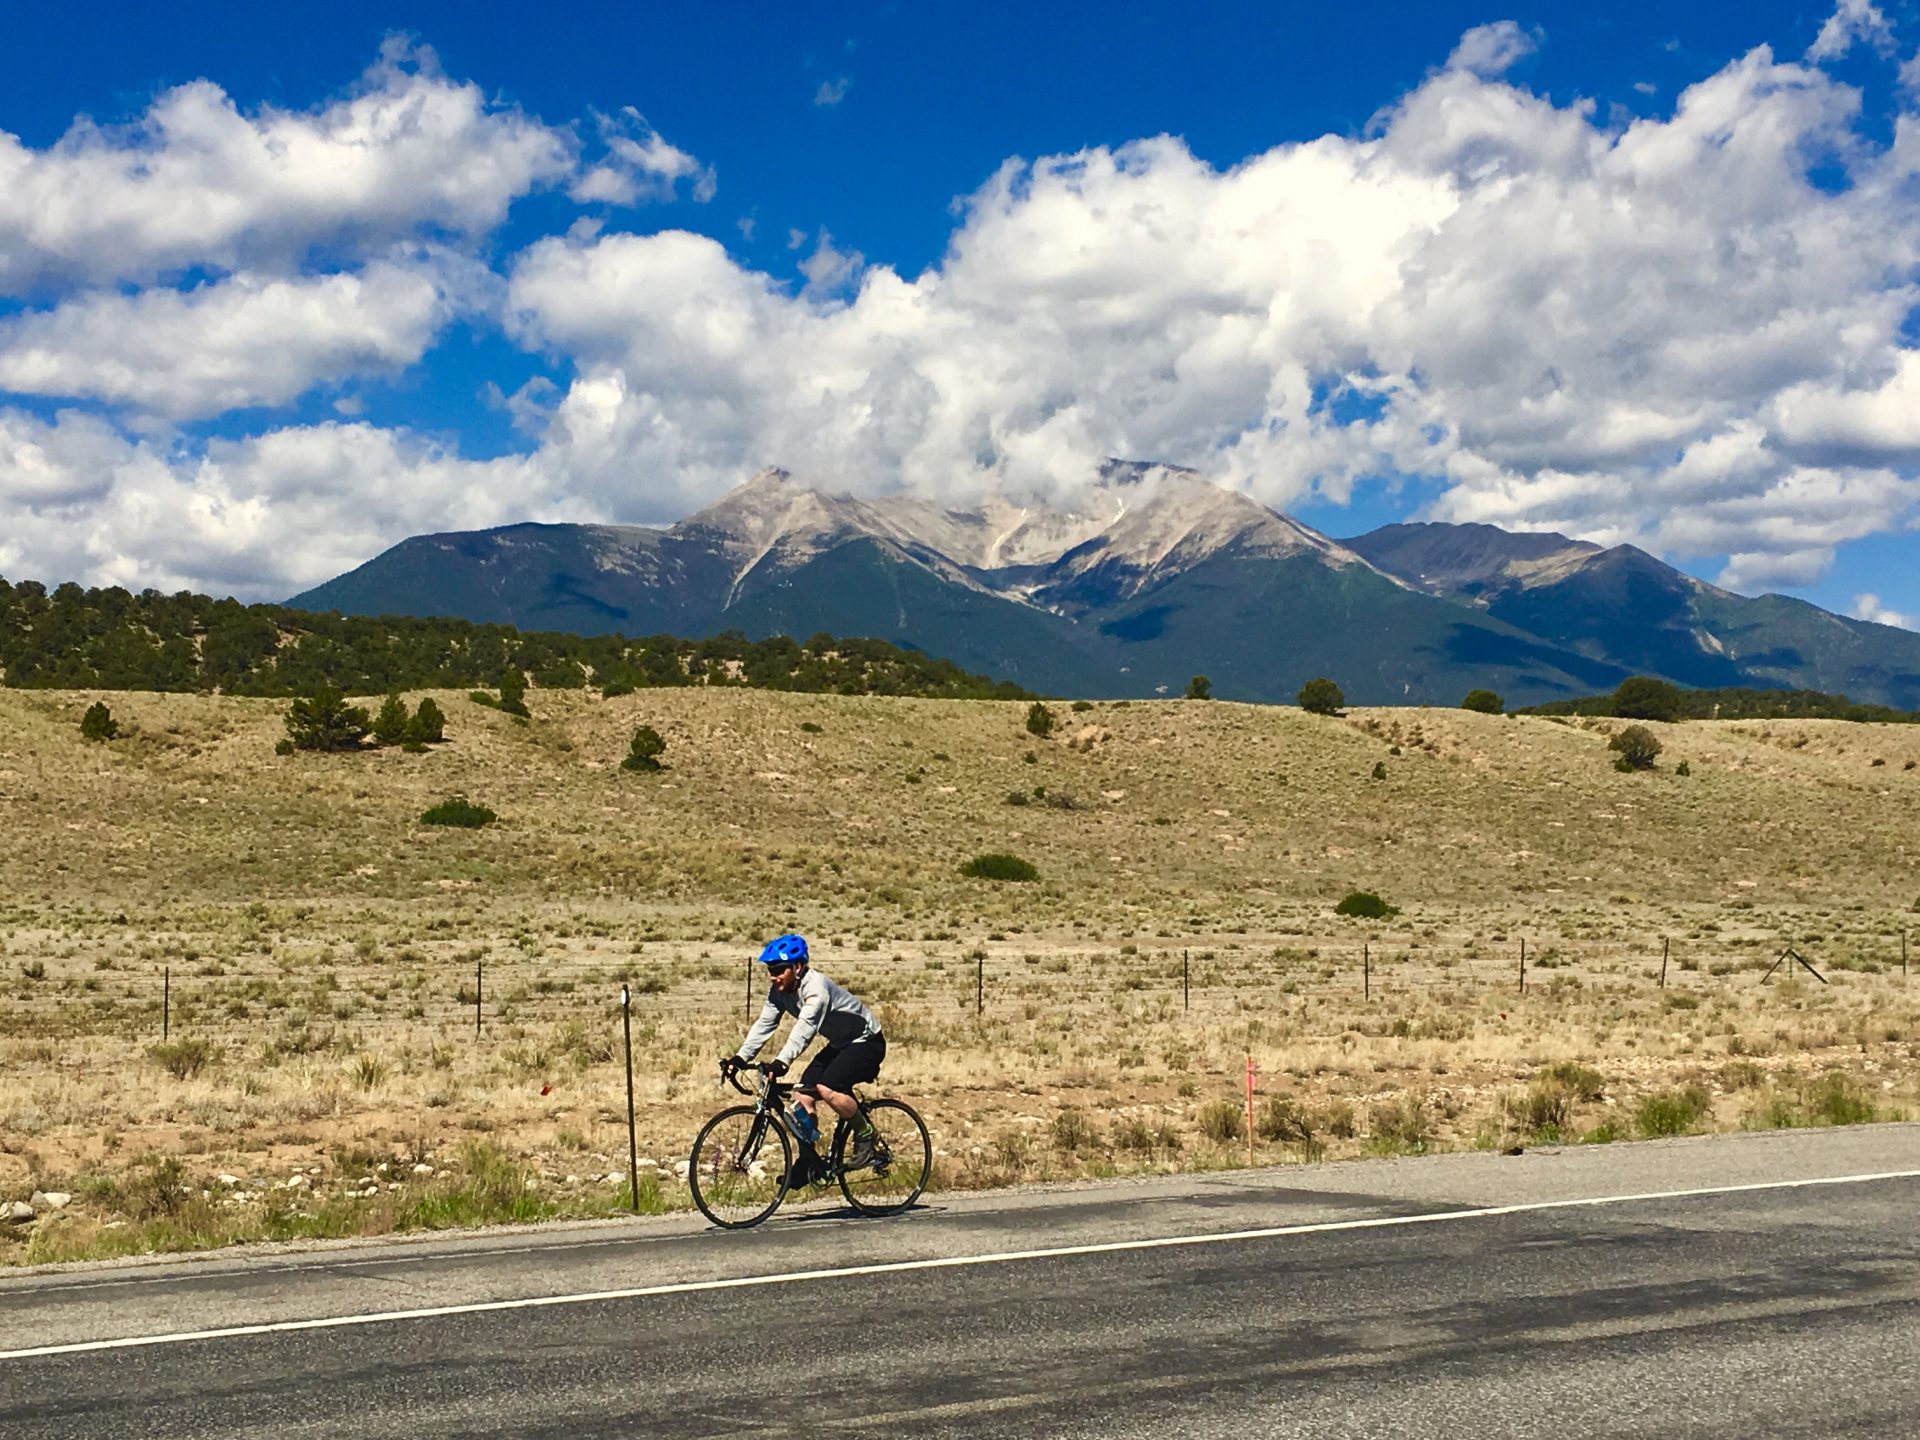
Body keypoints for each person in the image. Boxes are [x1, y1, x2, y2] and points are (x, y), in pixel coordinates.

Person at [723, 933, 886, 1187]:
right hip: (842, 1043)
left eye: (778, 970)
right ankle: (809, 1161)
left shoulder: (816, 989)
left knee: (827, 1087)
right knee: (803, 1096)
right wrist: (741, 1057)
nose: (773, 976)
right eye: (770, 970)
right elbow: (765, 1024)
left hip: (867, 1042)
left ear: (797, 967)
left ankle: (865, 1135)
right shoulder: (779, 991)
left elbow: (805, 1029)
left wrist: (782, 1062)